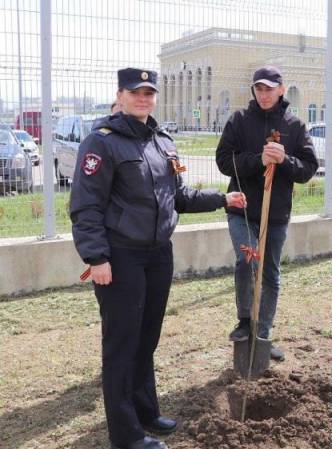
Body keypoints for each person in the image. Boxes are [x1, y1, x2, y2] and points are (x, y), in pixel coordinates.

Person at [70, 68, 246, 449]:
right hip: (121, 256)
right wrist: (97, 257)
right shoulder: (102, 143)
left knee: (146, 337)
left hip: (158, 254)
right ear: (120, 95)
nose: (143, 99)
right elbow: (86, 206)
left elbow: (178, 195)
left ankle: (145, 411)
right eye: (136, 92)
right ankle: (126, 435)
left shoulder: (164, 142)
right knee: (122, 343)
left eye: (149, 93)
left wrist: (223, 199)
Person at [215, 66, 318, 360]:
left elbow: (308, 169)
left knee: (269, 272)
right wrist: (258, 160)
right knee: (248, 259)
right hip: (242, 209)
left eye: (269, 89)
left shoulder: (294, 126)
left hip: (276, 214)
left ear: (281, 90)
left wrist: (284, 160)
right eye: (259, 89)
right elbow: (224, 161)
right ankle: (245, 322)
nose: (263, 94)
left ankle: (262, 334)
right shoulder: (239, 120)